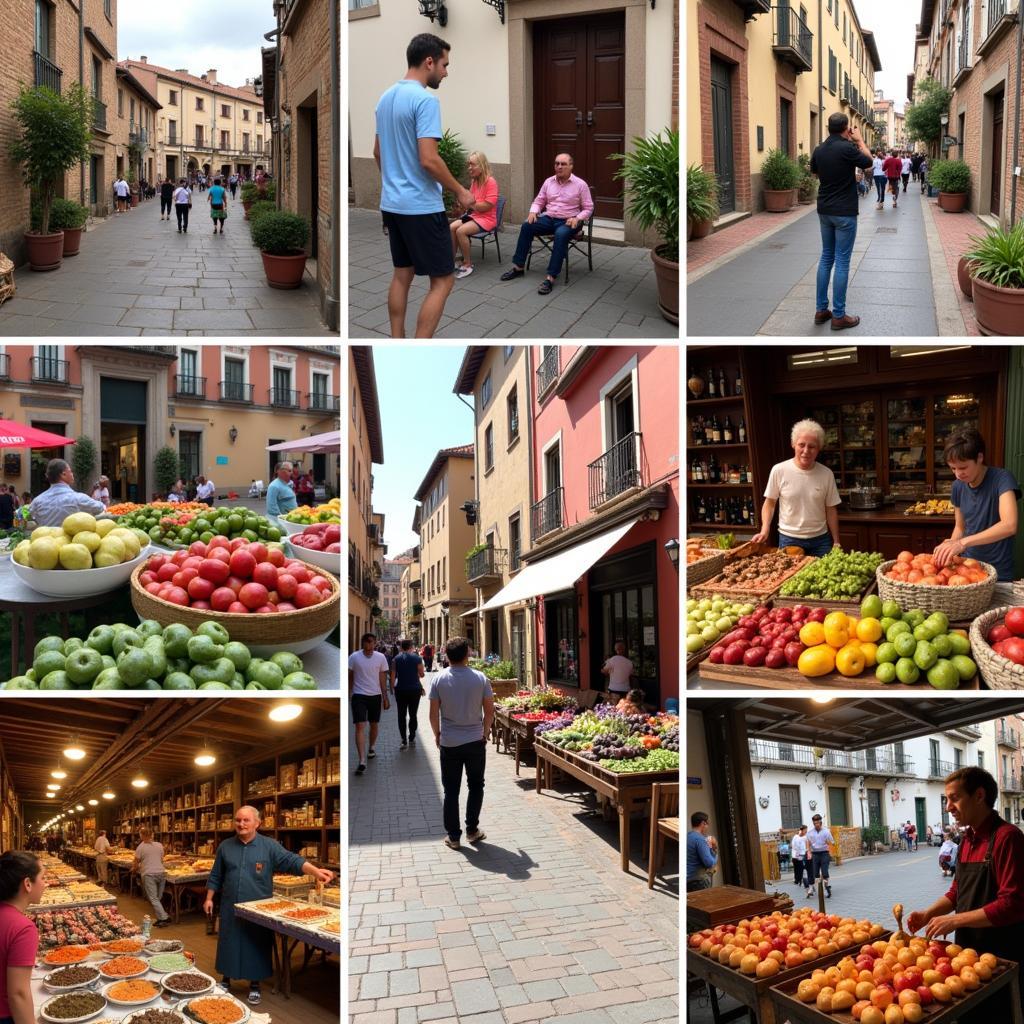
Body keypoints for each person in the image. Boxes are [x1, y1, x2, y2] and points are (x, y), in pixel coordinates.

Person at [375, 33, 475, 339]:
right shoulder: (424, 100)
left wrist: (394, 183)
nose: (446, 71)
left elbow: (378, 153)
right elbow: (429, 160)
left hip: (392, 204)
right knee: (443, 280)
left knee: (401, 275)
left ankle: (397, 339)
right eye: (444, 64)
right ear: (429, 61)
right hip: (420, 206)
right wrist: (460, 190)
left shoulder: (384, 98)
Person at [907, 767, 1024, 1022]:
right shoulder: (966, 840)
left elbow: (1012, 904)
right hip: (967, 955)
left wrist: (955, 920)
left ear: (979, 795)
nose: (948, 806)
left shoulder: (1008, 838)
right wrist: (929, 914)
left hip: (1001, 955)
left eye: (954, 798)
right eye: (946, 799)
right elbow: (956, 892)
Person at [203, 806, 334, 1006]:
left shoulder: (269, 846)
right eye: (238, 820)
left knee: (256, 943)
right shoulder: (225, 847)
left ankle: (255, 984)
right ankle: (226, 980)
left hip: (258, 908)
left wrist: (315, 872)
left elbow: (292, 860)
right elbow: (216, 875)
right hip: (230, 904)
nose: (241, 824)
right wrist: (209, 898)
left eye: (246, 820)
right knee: (228, 941)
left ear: (257, 823)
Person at [808, 113, 873, 332]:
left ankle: (820, 310)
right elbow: (869, 161)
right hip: (844, 212)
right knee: (842, 261)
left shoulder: (819, 150)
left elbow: (816, 173)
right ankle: (838, 315)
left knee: (826, 257)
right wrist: (860, 140)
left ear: (828, 128)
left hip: (824, 210)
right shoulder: (847, 148)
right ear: (846, 129)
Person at [428, 635, 494, 850]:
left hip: (450, 742)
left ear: (446, 655)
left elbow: (432, 714)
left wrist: (438, 735)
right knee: (476, 786)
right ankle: (472, 830)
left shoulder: (438, 679)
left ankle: (454, 837)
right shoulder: (480, 678)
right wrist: (485, 732)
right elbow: (490, 710)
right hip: (475, 740)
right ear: (468, 654)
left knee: (451, 791)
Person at [933, 429, 1020, 582]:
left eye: (963, 467)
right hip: (966, 569)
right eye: (953, 468)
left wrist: (962, 543)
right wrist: (951, 548)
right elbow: (960, 527)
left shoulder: (1002, 479)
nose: (958, 474)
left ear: (980, 457)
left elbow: (1009, 525)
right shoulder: (957, 486)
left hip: (998, 572)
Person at [500, 153, 594, 296]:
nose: (559, 167)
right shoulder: (548, 182)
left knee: (561, 234)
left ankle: (550, 277)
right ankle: (518, 267)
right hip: (549, 218)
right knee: (526, 226)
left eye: (563, 164)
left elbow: (588, 208)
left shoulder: (580, 184)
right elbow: (539, 201)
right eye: (557, 164)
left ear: (571, 166)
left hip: (570, 220)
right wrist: (533, 211)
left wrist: (578, 218)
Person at [752, 419, 841, 556]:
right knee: (791, 577)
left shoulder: (826, 474)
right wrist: (765, 530)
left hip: (821, 541)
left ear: (819, 448)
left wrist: (836, 541)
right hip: (789, 539)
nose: (806, 451)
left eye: (812, 447)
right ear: (793, 444)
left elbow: (831, 509)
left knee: (824, 576)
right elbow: (770, 503)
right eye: (801, 445)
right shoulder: (779, 470)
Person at [0, 851, 46, 1024]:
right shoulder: (23, 928)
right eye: (43, 878)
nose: (45, 884)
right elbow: (18, 994)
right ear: (27, 884)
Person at [449, 150, 499, 280]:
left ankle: (467, 263)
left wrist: (470, 204)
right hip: (475, 216)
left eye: (472, 164)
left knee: (461, 231)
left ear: (481, 165)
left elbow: (487, 206)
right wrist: (462, 204)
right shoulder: (475, 181)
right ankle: (451, 259)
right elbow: (470, 201)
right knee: (451, 227)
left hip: (487, 219)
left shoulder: (490, 182)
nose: (469, 168)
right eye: (468, 164)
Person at [349, 632, 390, 776]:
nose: (369, 645)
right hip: (359, 695)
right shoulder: (354, 657)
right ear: (362, 643)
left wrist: (385, 697)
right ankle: (361, 761)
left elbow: (382, 677)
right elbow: (350, 675)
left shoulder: (381, 657)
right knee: (360, 725)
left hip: (375, 695)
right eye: (367, 642)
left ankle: (371, 747)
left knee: (374, 724)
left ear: (375, 643)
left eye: (372, 642)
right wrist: (349, 692)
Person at [29, 459, 105, 527]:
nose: (72, 474)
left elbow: (30, 517)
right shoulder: (78, 499)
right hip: (72, 542)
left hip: (43, 541)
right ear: (64, 474)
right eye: (70, 471)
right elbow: (101, 508)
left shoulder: (37, 501)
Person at [133, 828, 170, 929]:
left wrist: (133, 870)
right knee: (158, 897)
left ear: (141, 835)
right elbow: (161, 858)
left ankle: (163, 918)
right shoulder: (159, 845)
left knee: (153, 898)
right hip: (161, 873)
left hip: (149, 874)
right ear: (152, 834)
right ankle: (162, 916)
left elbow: (136, 863)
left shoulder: (140, 847)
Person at [391, 638, 425, 749]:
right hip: (414, 690)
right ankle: (412, 736)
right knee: (413, 714)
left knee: (401, 715)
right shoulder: (417, 658)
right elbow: (422, 674)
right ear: (411, 647)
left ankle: (403, 739)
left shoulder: (396, 659)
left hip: (400, 690)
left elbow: (393, 675)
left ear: (401, 647)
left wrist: (392, 688)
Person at [686, 812, 718, 893]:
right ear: (703, 823)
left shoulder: (688, 836)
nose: (708, 827)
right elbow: (709, 863)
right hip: (698, 882)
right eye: (707, 824)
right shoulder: (700, 839)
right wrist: (714, 849)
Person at [807, 813, 834, 898]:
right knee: (816, 874)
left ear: (820, 822)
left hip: (824, 853)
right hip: (815, 854)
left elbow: (832, 842)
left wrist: (829, 844)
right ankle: (819, 889)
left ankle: (826, 888)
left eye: (817, 823)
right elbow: (808, 842)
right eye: (814, 823)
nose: (816, 825)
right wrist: (808, 852)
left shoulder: (826, 831)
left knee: (825, 872)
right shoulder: (810, 833)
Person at [791, 823, 811, 889]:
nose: (806, 832)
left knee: (802, 867)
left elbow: (807, 845)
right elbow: (793, 845)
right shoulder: (796, 837)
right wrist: (797, 850)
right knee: (796, 868)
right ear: (802, 830)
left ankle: (800, 880)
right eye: (805, 830)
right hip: (795, 855)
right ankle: (797, 880)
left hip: (802, 854)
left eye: (806, 830)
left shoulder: (805, 837)